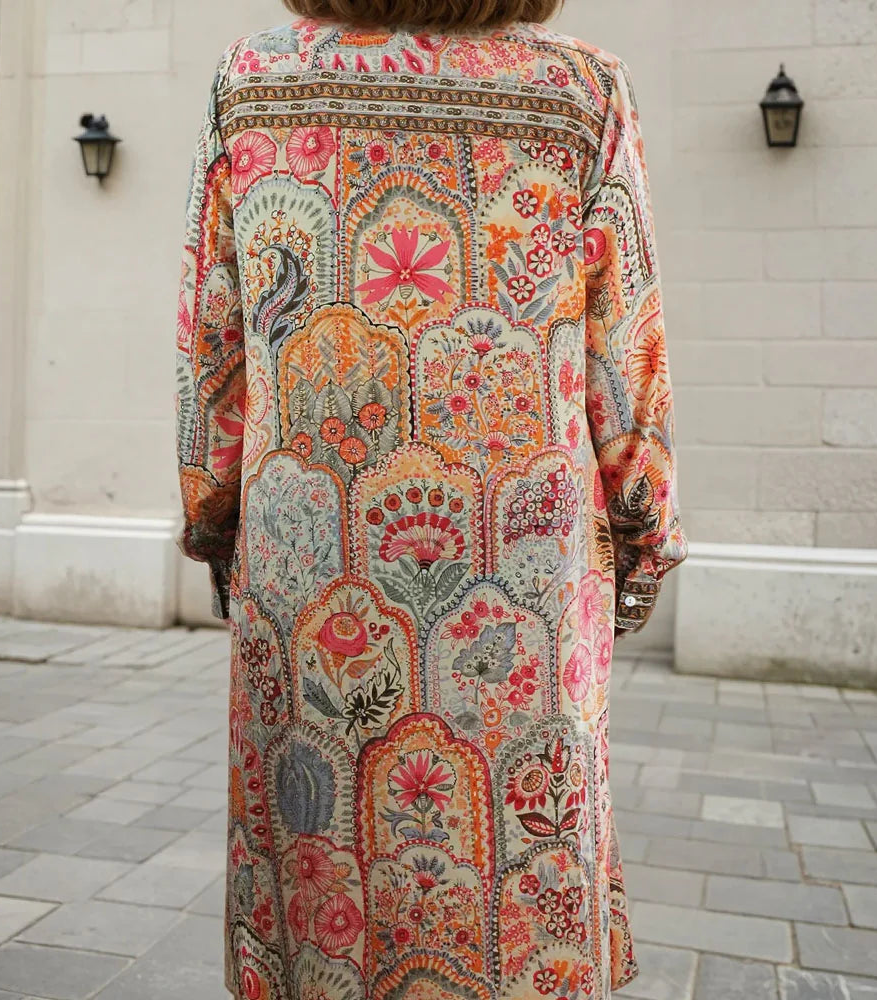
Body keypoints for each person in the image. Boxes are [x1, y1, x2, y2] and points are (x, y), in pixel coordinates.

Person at [174, 0, 688, 996]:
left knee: (320, 849)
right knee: (517, 843)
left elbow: (213, 350)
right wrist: (645, 533)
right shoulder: (579, 93)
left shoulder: (248, 85)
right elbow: (626, 357)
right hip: (523, 583)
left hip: (311, 568)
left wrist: (213, 521)